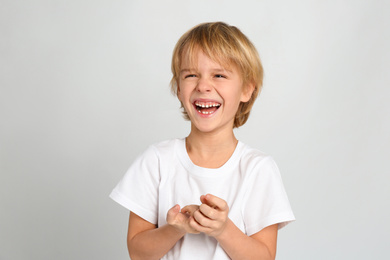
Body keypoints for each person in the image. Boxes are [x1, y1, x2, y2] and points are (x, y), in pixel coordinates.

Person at [110, 22, 295, 260]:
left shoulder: (258, 169)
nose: (203, 86)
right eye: (191, 75)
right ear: (178, 88)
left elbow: (264, 257)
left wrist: (223, 229)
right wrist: (175, 229)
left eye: (219, 75)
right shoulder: (156, 160)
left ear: (247, 90)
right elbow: (138, 253)